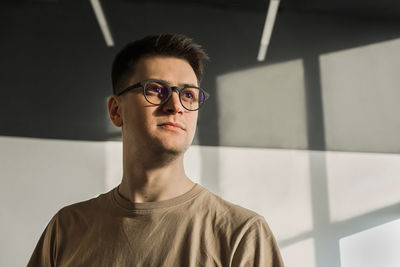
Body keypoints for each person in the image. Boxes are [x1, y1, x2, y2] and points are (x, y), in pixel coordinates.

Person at [28, 33, 284, 267]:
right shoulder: (67, 228)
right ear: (116, 111)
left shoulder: (242, 234)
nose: (175, 105)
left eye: (188, 95)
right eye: (155, 90)